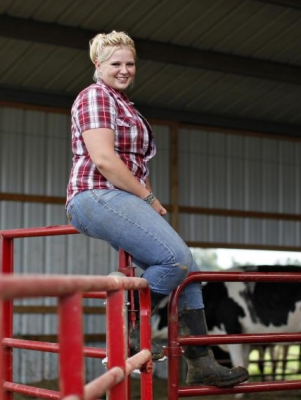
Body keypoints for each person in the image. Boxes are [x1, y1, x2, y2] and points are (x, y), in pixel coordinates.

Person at [65, 30, 249, 388]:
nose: (124, 70)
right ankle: (127, 330)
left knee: (189, 269)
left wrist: (141, 196)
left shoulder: (123, 103)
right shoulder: (95, 97)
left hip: (121, 196)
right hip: (95, 193)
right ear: (97, 64)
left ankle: (200, 359)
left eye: (130, 63)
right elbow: (104, 160)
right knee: (174, 259)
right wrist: (149, 198)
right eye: (116, 63)